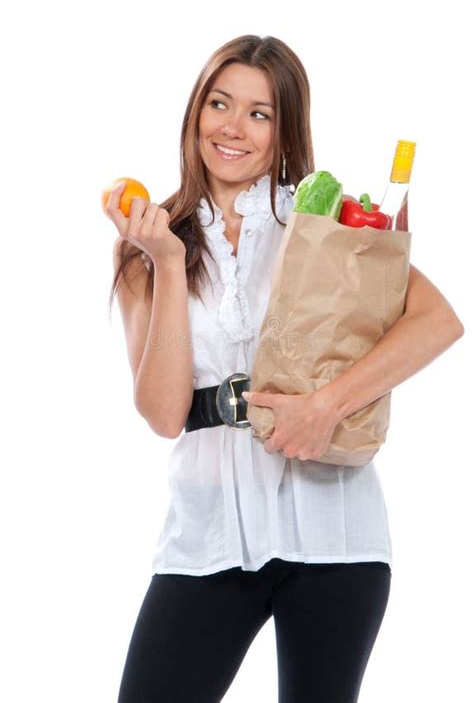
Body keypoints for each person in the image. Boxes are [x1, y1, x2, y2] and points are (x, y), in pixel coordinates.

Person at [105, 35, 464, 703]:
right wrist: (169, 263)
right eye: (219, 103)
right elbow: (161, 413)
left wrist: (326, 405)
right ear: (195, 112)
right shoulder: (149, 248)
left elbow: (438, 320)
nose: (232, 128)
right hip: (208, 533)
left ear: (284, 129)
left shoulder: (321, 220)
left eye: (259, 113)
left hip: (334, 528)